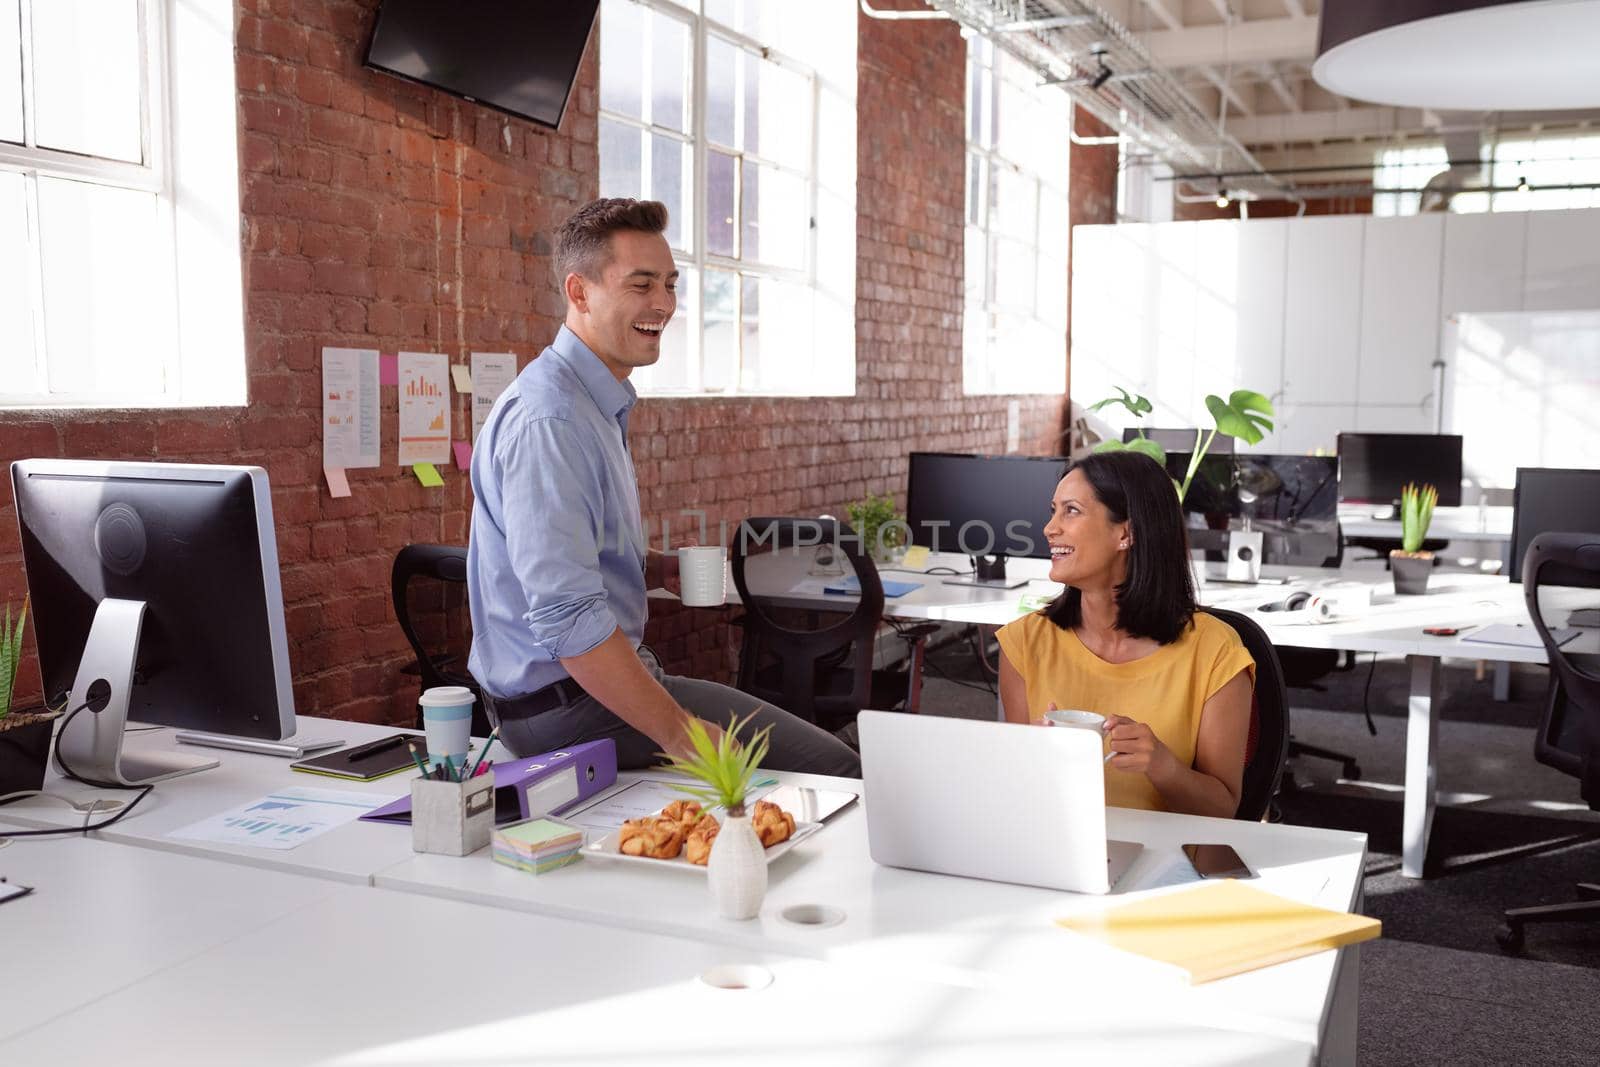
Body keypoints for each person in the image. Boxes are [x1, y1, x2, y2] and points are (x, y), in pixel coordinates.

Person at [467, 197, 861, 776]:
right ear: (580, 293)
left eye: (670, 285)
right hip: (568, 710)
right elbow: (566, 617)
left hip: (589, 692)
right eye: (641, 285)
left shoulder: (591, 403)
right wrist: (682, 735)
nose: (664, 305)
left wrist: (653, 566)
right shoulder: (551, 421)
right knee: (836, 769)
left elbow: (566, 562)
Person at [996, 451, 1254, 817]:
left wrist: (1162, 766)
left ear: (1126, 533)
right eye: (1053, 510)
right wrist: (1033, 760)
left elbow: (1222, 810)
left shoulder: (1216, 652)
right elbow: (1017, 797)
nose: (1049, 528)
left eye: (1071, 511)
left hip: (1170, 863)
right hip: (1058, 856)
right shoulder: (1024, 643)